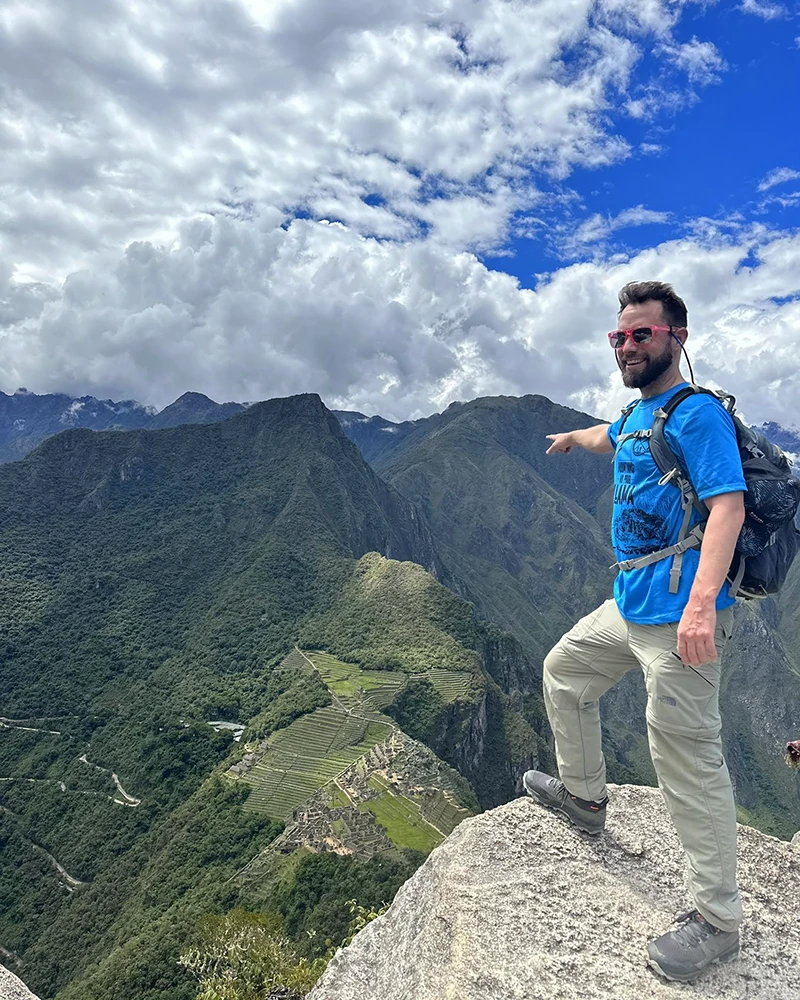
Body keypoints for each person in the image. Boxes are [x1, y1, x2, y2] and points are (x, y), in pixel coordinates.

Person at [523, 280, 746, 984]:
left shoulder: (697, 414)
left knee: (684, 756)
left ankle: (717, 920)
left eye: (640, 335)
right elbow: (605, 435)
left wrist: (703, 606)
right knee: (565, 671)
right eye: (618, 336)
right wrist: (571, 438)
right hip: (630, 602)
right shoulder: (637, 415)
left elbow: (728, 508)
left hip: (679, 614)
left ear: (675, 338)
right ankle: (586, 799)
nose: (626, 346)